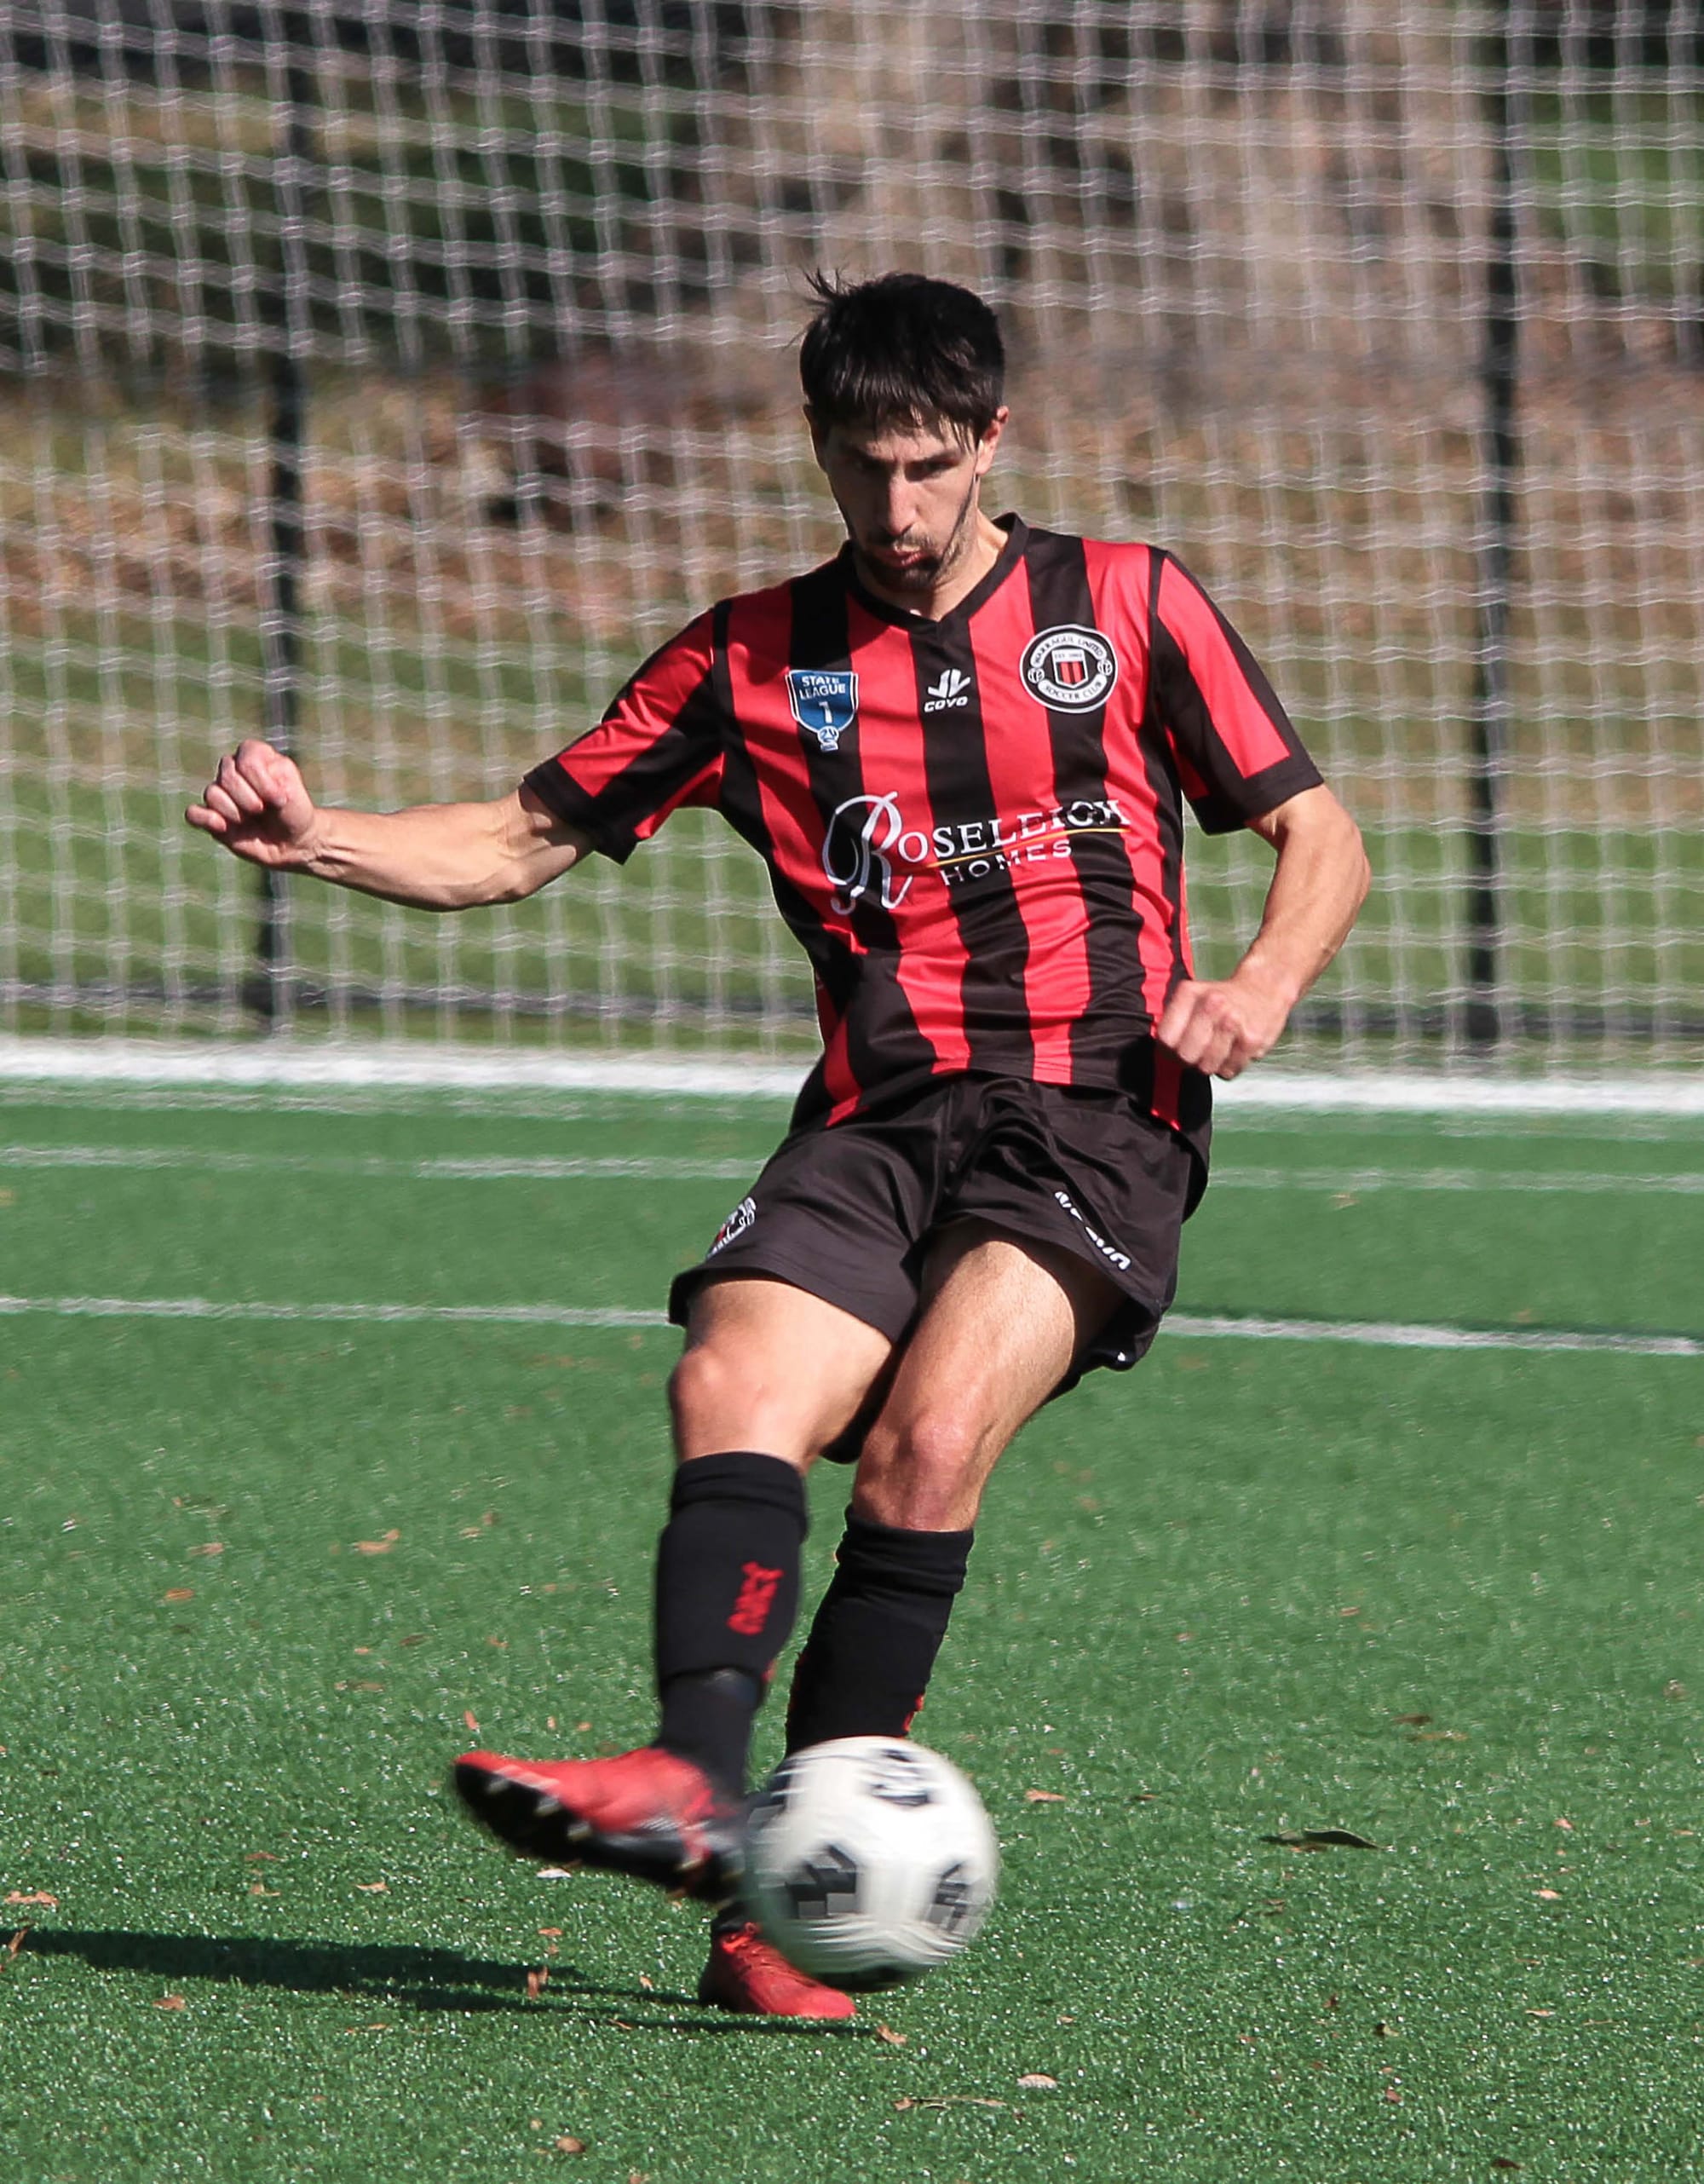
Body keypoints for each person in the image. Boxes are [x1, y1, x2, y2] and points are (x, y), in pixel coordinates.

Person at [188, 270, 1369, 2020]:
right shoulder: (750, 656)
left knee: (923, 1447)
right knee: (728, 1386)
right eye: (857, 468)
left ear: (990, 440)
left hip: (1093, 1116)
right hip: (877, 1118)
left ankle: (777, 1904)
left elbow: (1318, 830)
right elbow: (522, 835)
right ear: (816, 450)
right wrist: (320, 837)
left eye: (922, 467)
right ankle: (692, 1778)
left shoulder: (1124, 603)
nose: (891, 513)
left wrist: (1258, 984)